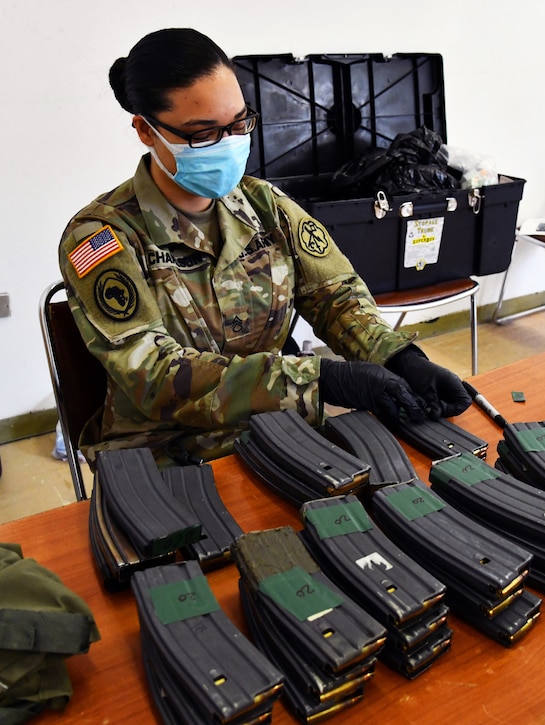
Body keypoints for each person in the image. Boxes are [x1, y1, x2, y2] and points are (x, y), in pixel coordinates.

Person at [58, 27, 471, 466]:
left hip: (276, 432)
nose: (230, 144)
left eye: (238, 124)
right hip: (166, 457)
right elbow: (153, 376)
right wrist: (321, 380)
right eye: (203, 134)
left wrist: (399, 357)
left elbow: (335, 295)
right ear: (145, 130)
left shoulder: (264, 205)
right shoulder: (102, 237)